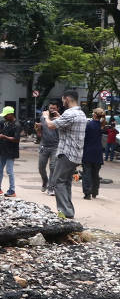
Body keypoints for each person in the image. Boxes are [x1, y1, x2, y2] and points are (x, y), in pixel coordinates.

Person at [41, 90, 87, 219]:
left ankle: (65, 212)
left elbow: (50, 125)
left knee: (57, 182)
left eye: (62, 100)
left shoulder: (70, 113)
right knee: (65, 182)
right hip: (76, 154)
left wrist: (45, 116)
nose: (62, 102)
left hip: (66, 153)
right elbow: (67, 125)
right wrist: (59, 117)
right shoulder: (81, 113)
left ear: (67, 99)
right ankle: (68, 210)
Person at [0, 106, 20, 197]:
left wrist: (4, 137)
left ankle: (12, 190)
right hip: (3, 149)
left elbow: (16, 139)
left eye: (5, 115)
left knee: (9, 171)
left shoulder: (17, 125)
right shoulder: (6, 123)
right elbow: (4, 134)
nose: (4, 117)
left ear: (11, 115)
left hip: (11, 151)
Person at [35, 103, 60, 195]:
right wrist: (38, 129)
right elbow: (40, 133)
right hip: (44, 146)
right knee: (41, 168)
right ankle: (45, 181)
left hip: (55, 147)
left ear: (57, 108)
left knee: (53, 167)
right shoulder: (43, 117)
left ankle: (51, 188)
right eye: (50, 108)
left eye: (54, 108)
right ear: (48, 108)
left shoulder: (59, 119)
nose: (52, 109)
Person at [82, 108, 105, 200]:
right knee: (95, 174)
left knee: (87, 173)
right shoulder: (102, 126)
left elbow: (84, 137)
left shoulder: (89, 125)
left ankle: (87, 193)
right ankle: (95, 192)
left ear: (94, 115)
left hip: (88, 152)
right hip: (98, 153)